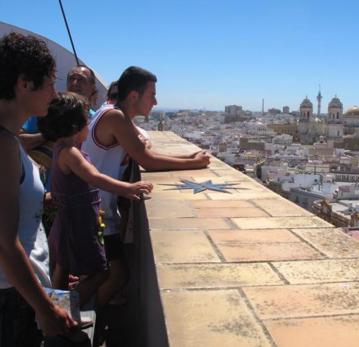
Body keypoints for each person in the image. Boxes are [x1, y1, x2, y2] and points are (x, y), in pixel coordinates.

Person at [82, 66, 210, 306]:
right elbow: (147, 161)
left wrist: (189, 159)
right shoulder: (115, 117)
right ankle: (73, 321)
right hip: (93, 212)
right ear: (134, 96)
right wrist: (195, 165)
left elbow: (144, 152)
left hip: (94, 209)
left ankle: (78, 318)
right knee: (115, 275)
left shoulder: (112, 113)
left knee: (105, 274)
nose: (155, 101)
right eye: (151, 95)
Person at [38, 92, 153, 307]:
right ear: (75, 126)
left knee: (62, 270)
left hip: (67, 222)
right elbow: (95, 177)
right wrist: (127, 188)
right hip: (78, 225)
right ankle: (64, 310)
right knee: (101, 272)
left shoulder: (62, 149)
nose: (90, 126)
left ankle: (59, 315)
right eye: (86, 121)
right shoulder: (71, 153)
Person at [0, 32, 77, 346]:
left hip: (20, 294)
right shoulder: (3, 144)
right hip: (12, 299)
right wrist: (45, 309)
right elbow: (4, 243)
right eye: (49, 82)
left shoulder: (11, 140)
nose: (55, 93)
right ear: (24, 83)